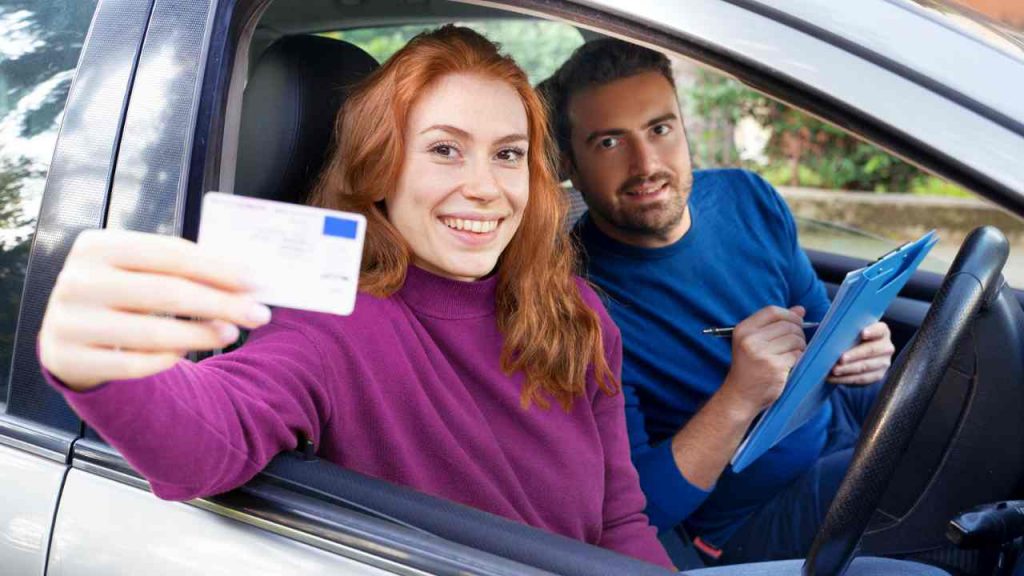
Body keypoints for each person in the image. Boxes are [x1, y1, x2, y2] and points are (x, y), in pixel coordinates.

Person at [36, 27, 674, 569]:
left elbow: (618, 522)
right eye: (445, 150)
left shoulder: (574, 311)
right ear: (381, 168)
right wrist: (100, 369)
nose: (485, 187)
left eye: (507, 154)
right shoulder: (329, 321)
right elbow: (208, 441)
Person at [540, 39, 896, 563]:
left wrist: (863, 347)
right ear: (568, 163)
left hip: (840, 429)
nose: (646, 165)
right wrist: (739, 396)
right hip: (744, 523)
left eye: (660, 130)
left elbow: (818, 324)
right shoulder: (571, 301)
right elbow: (643, 508)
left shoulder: (746, 196)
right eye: (610, 143)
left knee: (972, 381)